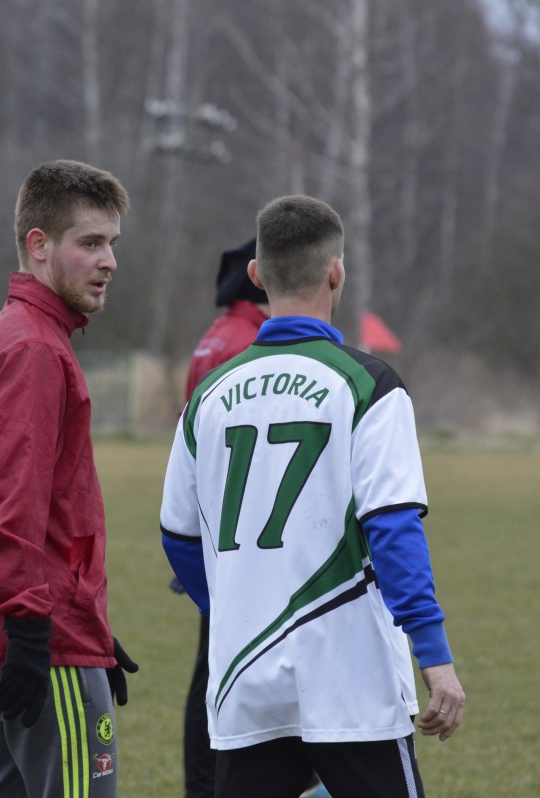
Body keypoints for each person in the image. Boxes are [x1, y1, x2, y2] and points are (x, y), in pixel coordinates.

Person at [160, 195, 465, 798]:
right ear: (336, 272)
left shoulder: (207, 396)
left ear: (256, 275)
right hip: (350, 683)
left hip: (246, 680)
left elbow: (179, 537)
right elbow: (394, 527)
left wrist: (239, 612)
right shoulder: (370, 384)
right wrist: (434, 655)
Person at [0, 159, 139, 798]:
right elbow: (10, 504)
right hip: (34, 648)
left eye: (112, 244)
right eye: (90, 243)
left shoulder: (4, 333)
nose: (109, 262)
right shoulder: (36, 350)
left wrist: (91, 628)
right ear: (39, 245)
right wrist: (35, 627)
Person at [176, 236, 270, 798]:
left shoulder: (216, 335)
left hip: (212, 527)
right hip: (242, 539)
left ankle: (203, 783)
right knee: (224, 673)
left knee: (210, 669)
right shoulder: (248, 344)